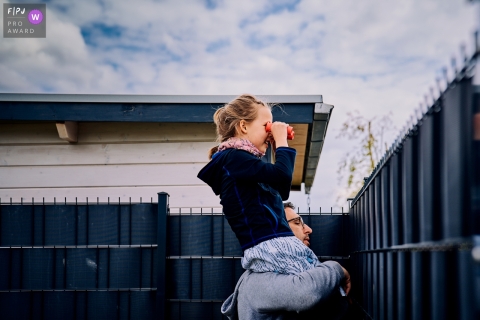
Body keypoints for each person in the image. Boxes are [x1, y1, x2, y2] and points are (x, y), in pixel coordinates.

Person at [197, 94, 320, 275]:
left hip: (277, 241)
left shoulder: (245, 164)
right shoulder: (233, 158)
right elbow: (282, 176)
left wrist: (278, 148)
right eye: (266, 126)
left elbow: (282, 190)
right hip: (270, 244)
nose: (270, 131)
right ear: (243, 126)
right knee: (317, 281)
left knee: (320, 275)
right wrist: (281, 140)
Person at [221, 202, 352, 320]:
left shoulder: (291, 269)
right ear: (276, 231)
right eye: (297, 223)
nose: (309, 229)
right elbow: (305, 293)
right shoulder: (256, 280)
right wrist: (337, 269)